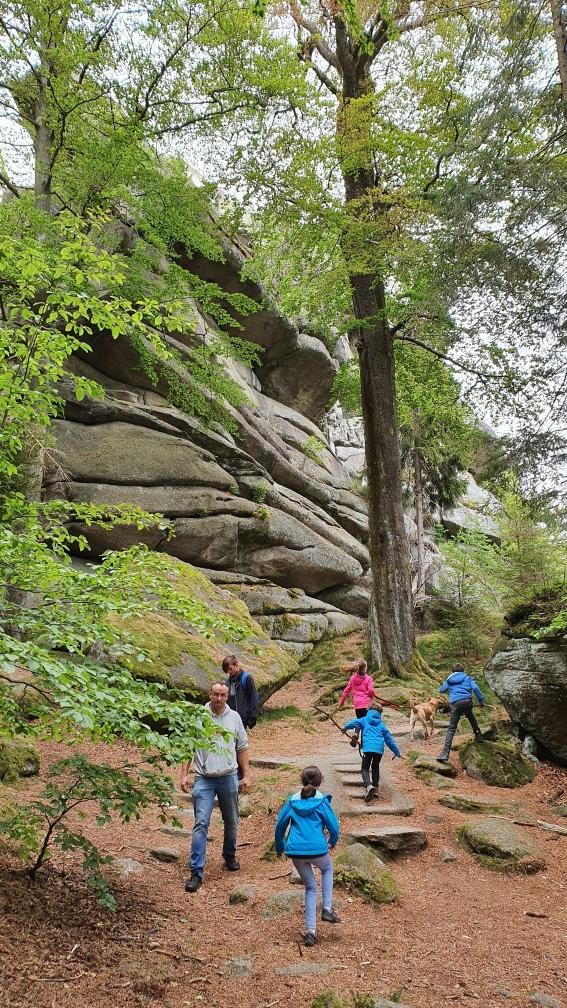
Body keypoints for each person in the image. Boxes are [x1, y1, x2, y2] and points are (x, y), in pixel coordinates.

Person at [181, 682, 250, 893]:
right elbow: (188, 746)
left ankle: (229, 855)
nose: (219, 698)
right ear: (209, 694)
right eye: (215, 694)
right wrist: (184, 774)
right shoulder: (198, 717)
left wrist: (246, 774)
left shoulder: (234, 718)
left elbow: (242, 747)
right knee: (201, 822)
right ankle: (196, 871)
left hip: (228, 776)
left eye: (222, 694)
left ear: (227, 696)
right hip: (203, 778)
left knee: (231, 819)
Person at [274, 766, 340, 948]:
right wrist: (332, 841)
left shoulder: (292, 801)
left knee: (310, 888)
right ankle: (327, 908)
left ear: (302, 781)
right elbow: (334, 827)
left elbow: (280, 826)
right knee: (327, 869)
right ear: (319, 782)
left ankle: (310, 931)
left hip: (296, 851)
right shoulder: (322, 802)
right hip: (318, 849)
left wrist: (280, 847)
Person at [341, 705, 401, 801]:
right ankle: (375, 788)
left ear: (369, 711)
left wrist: (345, 727)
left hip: (368, 748)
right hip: (379, 750)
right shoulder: (382, 725)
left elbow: (353, 723)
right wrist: (396, 751)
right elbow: (389, 740)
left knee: (365, 768)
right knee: (375, 767)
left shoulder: (364, 720)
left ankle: (369, 787)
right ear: (380, 713)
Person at [436, 664, 485, 763]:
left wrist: (447, 682)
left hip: (456, 704)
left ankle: (445, 753)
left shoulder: (450, 680)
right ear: (463, 671)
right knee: (470, 716)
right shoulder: (467, 678)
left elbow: (441, 690)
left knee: (451, 728)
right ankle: (478, 735)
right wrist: (481, 701)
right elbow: (475, 689)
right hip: (467, 701)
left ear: (452, 672)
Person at [337, 659, 376, 746]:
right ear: (365, 668)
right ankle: (363, 742)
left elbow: (347, 690)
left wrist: (342, 701)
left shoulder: (353, 678)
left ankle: (356, 734)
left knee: (359, 721)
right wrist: (372, 695)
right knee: (365, 723)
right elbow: (371, 690)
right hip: (366, 704)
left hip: (357, 705)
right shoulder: (369, 679)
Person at [223, 654, 260, 729]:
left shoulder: (247, 679)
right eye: (227, 670)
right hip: (230, 718)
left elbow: (254, 698)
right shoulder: (228, 682)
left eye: (230, 669)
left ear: (236, 665)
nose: (228, 672)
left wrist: (252, 717)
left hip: (243, 719)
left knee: (240, 740)